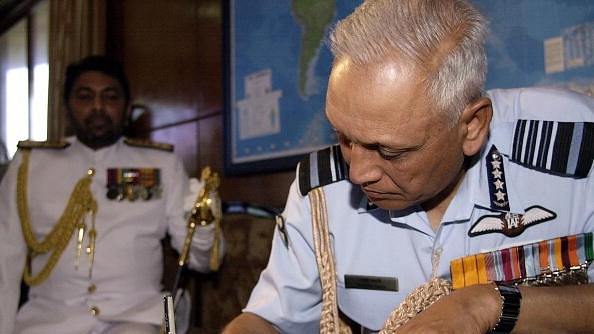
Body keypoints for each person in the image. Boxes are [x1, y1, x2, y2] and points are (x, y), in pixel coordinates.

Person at [222, 0, 594, 333]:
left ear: (472, 126)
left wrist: (489, 305)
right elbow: (268, 320)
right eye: (345, 139)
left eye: (390, 151)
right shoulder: (321, 193)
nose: (358, 173)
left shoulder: (575, 154)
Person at [0, 55, 224, 334]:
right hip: (49, 321)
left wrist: (203, 226)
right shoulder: (30, 165)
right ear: (67, 107)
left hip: (136, 319)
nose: (97, 107)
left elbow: (200, 263)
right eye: (85, 97)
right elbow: (4, 258)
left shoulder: (161, 164)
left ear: (127, 108)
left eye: (110, 97)